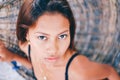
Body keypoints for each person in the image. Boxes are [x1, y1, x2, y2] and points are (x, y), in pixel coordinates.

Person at [0, 0, 119, 80]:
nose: (53, 49)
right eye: (42, 37)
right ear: (27, 35)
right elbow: (36, 67)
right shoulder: (25, 47)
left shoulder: (78, 70)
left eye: (62, 36)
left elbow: (110, 72)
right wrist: (12, 57)